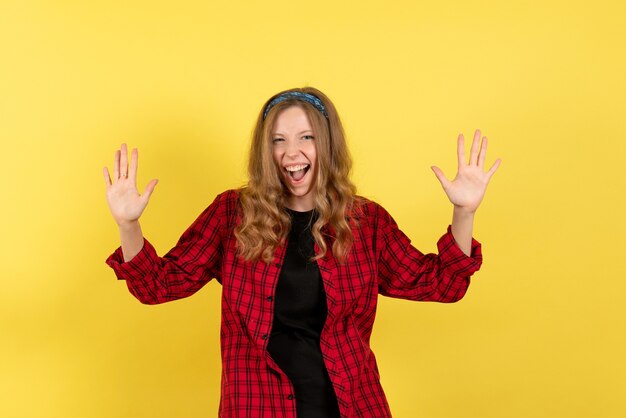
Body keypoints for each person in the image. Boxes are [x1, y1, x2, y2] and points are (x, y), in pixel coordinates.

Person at [103, 87, 501, 418]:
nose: (291, 152)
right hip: (257, 406)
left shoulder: (366, 221)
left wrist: (463, 212)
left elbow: (443, 284)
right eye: (278, 140)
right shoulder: (231, 215)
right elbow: (158, 285)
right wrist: (128, 224)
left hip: (351, 407)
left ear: (326, 145)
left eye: (305, 137)